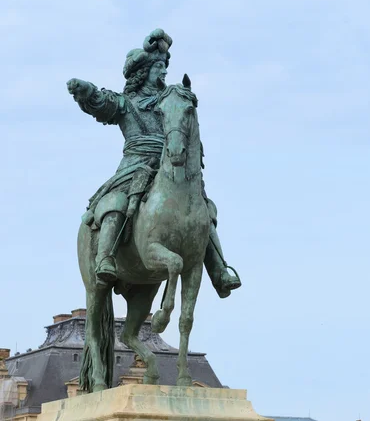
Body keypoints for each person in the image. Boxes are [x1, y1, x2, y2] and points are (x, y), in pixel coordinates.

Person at [67, 28, 241, 298]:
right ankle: (105, 258)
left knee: (202, 209)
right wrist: (86, 91)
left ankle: (219, 269)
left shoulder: (171, 100)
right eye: (158, 67)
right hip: (134, 165)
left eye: (164, 67)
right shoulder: (127, 103)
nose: (163, 72)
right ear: (143, 72)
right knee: (115, 203)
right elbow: (102, 103)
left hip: (171, 165)